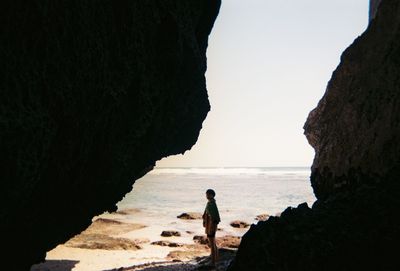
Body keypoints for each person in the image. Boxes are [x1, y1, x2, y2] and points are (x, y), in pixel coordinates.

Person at [202, 189, 221, 267]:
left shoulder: (212, 204)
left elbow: (215, 216)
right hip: (209, 225)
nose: (207, 196)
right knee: (213, 243)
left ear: (212, 195)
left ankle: (213, 263)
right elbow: (207, 213)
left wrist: (212, 226)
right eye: (206, 194)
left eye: (208, 194)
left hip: (211, 226)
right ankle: (216, 260)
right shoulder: (210, 203)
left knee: (212, 244)